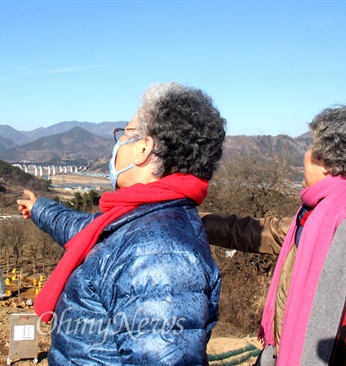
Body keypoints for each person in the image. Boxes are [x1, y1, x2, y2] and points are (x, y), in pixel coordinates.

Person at [17, 82, 226, 365]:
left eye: (124, 134)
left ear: (143, 148)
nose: (118, 145)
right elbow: (88, 231)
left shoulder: (159, 252)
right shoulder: (143, 216)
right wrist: (40, 208)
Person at [202, 106, 346, 365]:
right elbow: (255, 232)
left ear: (329, 163)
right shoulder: (313, 218)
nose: (305, 154)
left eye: (311, 147)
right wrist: (192, 219)